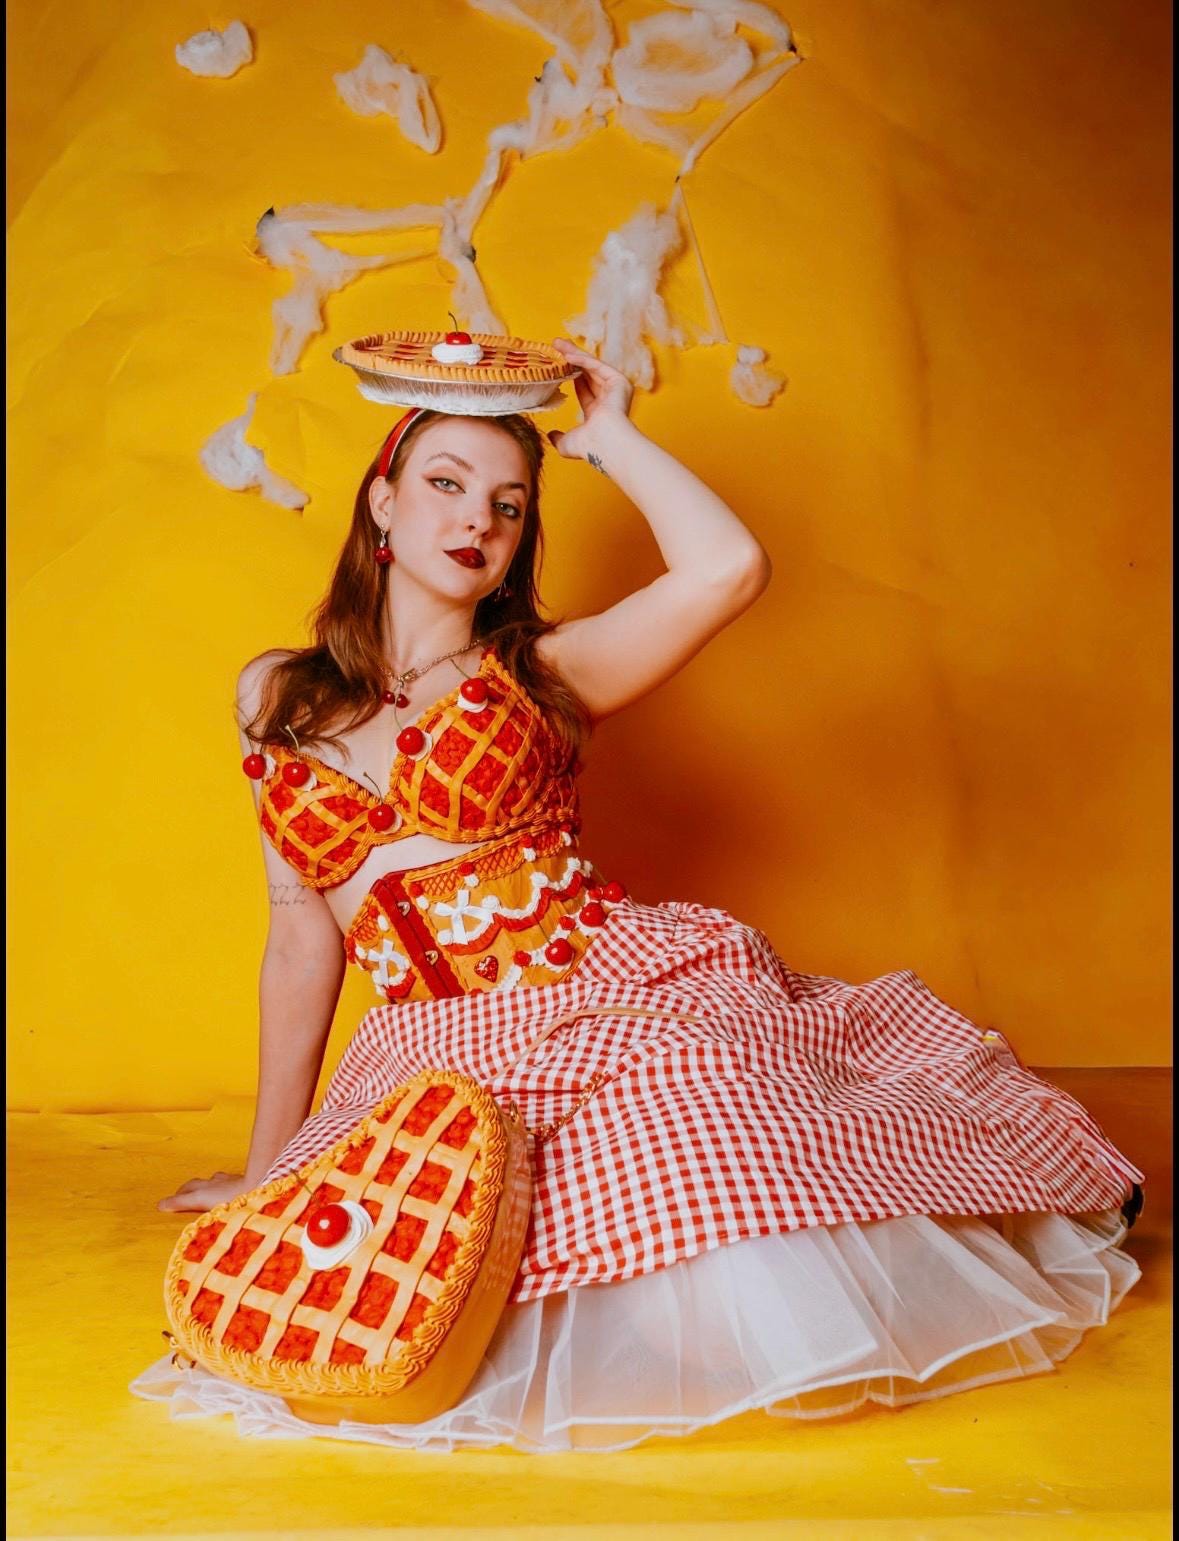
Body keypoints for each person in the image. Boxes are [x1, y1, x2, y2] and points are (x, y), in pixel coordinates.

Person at [139, 336, 1144, 1451]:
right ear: (382, 499)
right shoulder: (275, 693)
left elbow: (727, 568)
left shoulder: (544, 671)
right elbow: (298, 935)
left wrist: (610, 434)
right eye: (447, 484)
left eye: (509, 505)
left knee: (696, 1206)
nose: (478, 520)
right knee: (372, 1287)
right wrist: (269, 1164)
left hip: (596, 999)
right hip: (426, 1051)